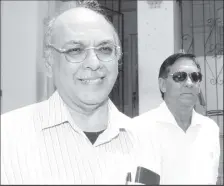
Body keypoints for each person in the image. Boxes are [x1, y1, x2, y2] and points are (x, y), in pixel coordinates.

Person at [1, 1, 159, 184]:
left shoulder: (145, 140)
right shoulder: (7, 138)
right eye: (75, 50)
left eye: (105, 49)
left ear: (118, 59)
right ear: (49, 63)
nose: (93, 63)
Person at [132, 53, 220, 184]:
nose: (189, 83)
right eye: (180, 77)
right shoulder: (140, 128)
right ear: (162, 85)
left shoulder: (210, 128)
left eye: (195, 77)